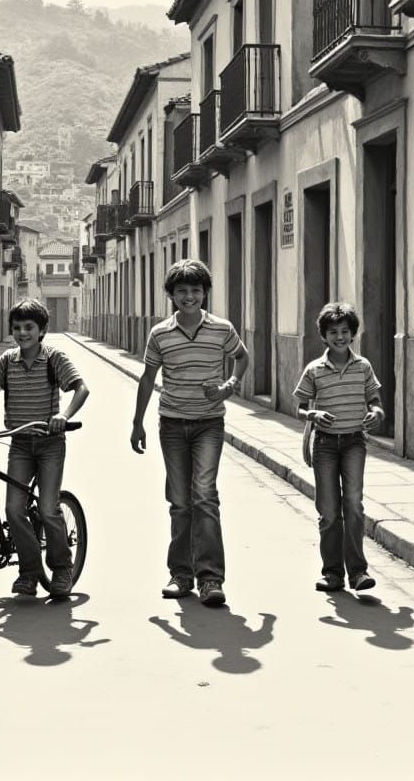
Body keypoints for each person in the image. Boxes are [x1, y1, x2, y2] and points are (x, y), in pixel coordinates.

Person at [0, 299, 89, 600]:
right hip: (19, 444)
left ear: (42, 330)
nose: (23, 333)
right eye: (17, 328)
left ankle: (61, 568)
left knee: (48, 509)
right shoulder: (8, 360)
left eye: (29, 327)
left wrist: (64, 416)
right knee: (13, 509)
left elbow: (81, 387)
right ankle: (29, 572)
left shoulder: (53, 358)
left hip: (49, 445)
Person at [130, 259, 249, 608]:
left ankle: (210, 578)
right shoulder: (160, 334)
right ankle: (181, 574)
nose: (189, 297)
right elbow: (148, 378)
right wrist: (137, 422)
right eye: (181, 291)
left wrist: (230, 385)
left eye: (195, 290)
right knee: (180, 502)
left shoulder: (222, 329)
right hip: (171, 423)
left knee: (204, 495)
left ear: (205, 293)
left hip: (209, 423)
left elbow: (241, 358)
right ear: (171, 295)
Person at [295, 301, 384, 593]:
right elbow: (300, 407)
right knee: (329, 511)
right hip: (325, 445)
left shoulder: (363, 367)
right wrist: (313, 414)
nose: (339, 337)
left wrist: (377, 413)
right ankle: (332, 573)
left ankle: (358, 572)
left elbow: (375, 400)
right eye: (333, 332)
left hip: (354, 442)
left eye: (345, 331)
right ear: (324, 336)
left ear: (353, 333)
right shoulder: (314, 370)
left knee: (354, 506)